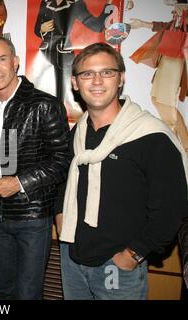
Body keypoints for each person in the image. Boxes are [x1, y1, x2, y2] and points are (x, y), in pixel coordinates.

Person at [55, 42, 188, 300]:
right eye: (87, 74)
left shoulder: (151, 136)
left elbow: (172, 209)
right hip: (72, 258)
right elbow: (65, 179)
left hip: (118, 266)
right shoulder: (78, 134)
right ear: (74, 83)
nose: (96, 81)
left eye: (107, 72)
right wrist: (60, 214)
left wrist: (133, 255)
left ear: (121, 79)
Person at [0, 36, 71, 299]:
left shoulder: (44, 104)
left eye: (2, 59)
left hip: (32, 215)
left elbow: (62, 160)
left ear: (16, 62)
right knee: (5, 290)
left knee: (28, 294)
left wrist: (19, 182)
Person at [34, 0, 113, 122]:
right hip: (45, 55)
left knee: (62, 96)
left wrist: (109, 5)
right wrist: (41, 28)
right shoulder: (46, 3)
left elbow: (97, 26)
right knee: (44, 94)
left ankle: (60, 128)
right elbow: (36, 29)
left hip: (64, 55)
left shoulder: (76, 4)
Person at [129, 0, 188, 152]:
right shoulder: (177, 20)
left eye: (178, 5)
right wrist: (142, 24)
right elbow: (163, 26)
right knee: (156, 99)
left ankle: (181, 145)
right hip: (167, 60)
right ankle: (179, 141)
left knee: (166, 102)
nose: (175, 9)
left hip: (176, 62)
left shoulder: (184, 19)